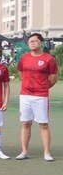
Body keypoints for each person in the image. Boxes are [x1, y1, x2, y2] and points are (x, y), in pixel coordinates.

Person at [16, 33, 58, 161]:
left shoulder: (48, 59)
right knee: (25, 123)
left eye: (35, 41)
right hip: (25, 95)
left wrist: (42, 87)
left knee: (43, 125)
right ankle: (24, 152)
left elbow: (53, 78)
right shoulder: (24, 58)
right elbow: (20, 73)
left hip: (41, 96)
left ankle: (47, 153)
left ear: (41, 42)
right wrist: (28, 85)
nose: (32, 43)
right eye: (30, 42)